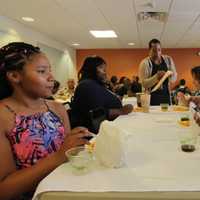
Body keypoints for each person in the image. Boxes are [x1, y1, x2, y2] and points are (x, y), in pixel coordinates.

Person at [0, 42, 91, 200]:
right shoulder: (4, 116)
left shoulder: (57, 109)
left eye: (50, 70)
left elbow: (69, 156)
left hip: (68, 190)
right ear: (14, 76)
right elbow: (4, 189)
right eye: (42, 71)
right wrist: (58, 156)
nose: (51, 78)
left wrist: (78, 141)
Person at [70, 56, 133, 133]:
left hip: (108, 128)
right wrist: (121, 111)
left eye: (105, 69)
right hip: (95, 135)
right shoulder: (86, 85)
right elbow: (96, 114)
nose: (105, 72)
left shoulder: (94, 83)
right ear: (91, 69)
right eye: (101, 68)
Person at [139, 38, 177, 105]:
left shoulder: (168, 60)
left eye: (159, 50)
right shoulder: (144, 63)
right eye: (154, 51)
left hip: (166, 97)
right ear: (149, 50)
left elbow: (174, 79)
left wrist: (171, 75)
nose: (157, 53)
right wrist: (156, 77)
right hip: (151, 98)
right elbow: (144, 84)